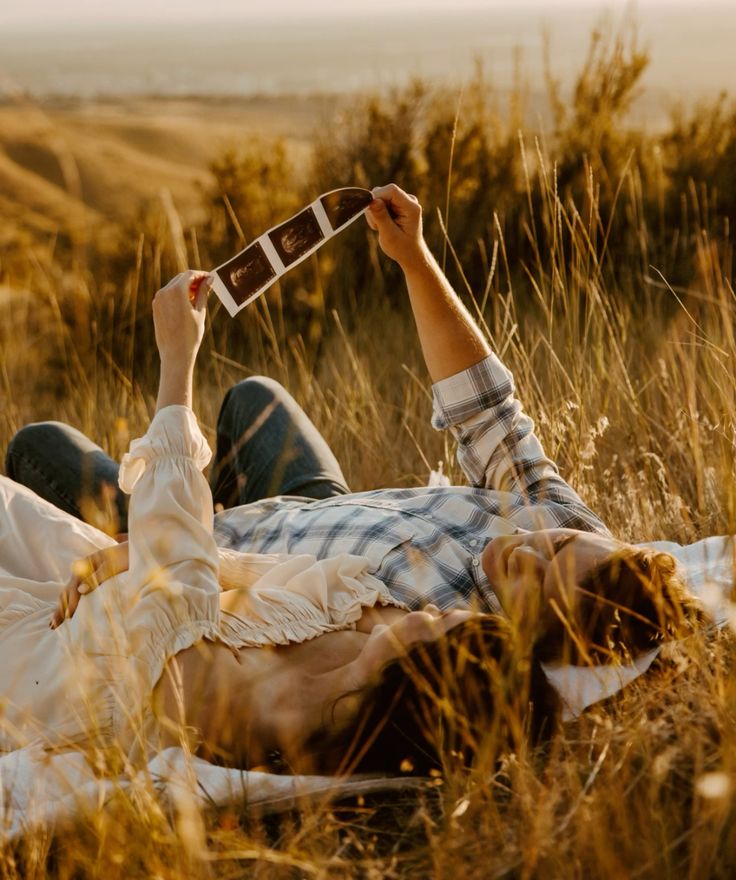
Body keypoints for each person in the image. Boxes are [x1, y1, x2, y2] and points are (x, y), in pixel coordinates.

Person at [6, 187, 701, 666]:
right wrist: (413, 256)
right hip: (319, 503)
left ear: (538, 637)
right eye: (554, 546)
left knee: (39, 448)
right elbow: (487, 410)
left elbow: (247, 609)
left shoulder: (441, 632)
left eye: (533, 580)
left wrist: (155, 545)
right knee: (255, 395)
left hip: (222, 550)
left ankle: (177, 499)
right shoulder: (559, 519)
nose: (527, 549)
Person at [0, 271, 552, 778]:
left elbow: (174, 583)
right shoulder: (355, 651)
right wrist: (146, 554)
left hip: (35, 644)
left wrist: (177, 359)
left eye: (437, 627)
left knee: (35, 451)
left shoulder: (259, 712)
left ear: (415, 681)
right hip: (91, 582)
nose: (432, 610)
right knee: (252, 397)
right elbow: (264, 575)